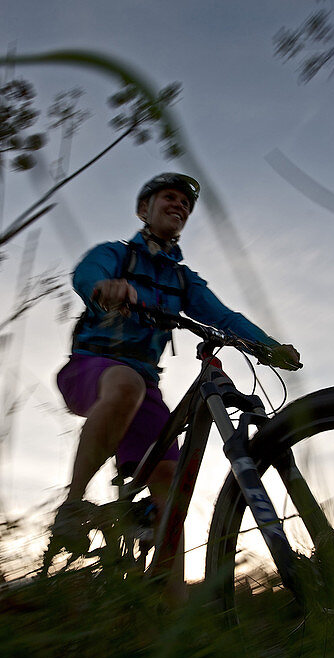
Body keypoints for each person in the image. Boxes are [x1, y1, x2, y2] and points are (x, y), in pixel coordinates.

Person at [49, 172, 300, 579]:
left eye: (185, 204)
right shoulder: (117, 255)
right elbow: (86, 274)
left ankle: (171, 606)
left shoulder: (182, 280)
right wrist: (107, 288)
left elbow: (222, 316)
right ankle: (73, 506)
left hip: (142, 385)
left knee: (172, 484)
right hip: (91, 366)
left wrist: (266, 346)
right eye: (169, 197)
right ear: (143, 210)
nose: (179, 206)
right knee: (127, 384)